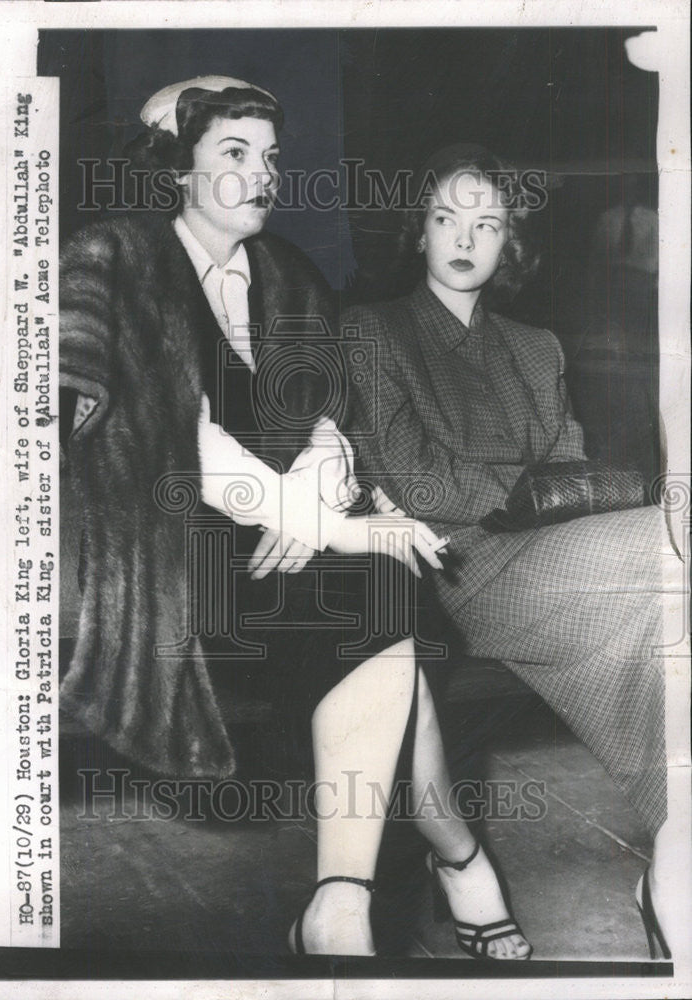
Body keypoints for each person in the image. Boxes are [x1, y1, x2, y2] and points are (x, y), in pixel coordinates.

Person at [59, 82, 532, 959]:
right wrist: (324, 524)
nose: (263, 172)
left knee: (380, 602)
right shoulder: (115, 256)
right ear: (174, 167)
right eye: (234, 152)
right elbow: (170, 441)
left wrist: (316, 496)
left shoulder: (285, 271)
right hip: (170, 546)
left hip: (290, 533)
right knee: (384, 609)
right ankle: (458, 855)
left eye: (270, 156)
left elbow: (331, 421)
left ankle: (337, 906)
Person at [344, 142, 681, 959]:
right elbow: (418, 484)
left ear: (508, 244)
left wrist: (539, 490)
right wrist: (525, 490)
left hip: (560, 554)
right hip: (465, 568)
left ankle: (675, 851)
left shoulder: (537, 346)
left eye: (486, 223)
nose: (465, 237)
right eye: (445, 218)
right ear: (416, 233)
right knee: (669, 544)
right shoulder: (373, 332)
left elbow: (566, 465)